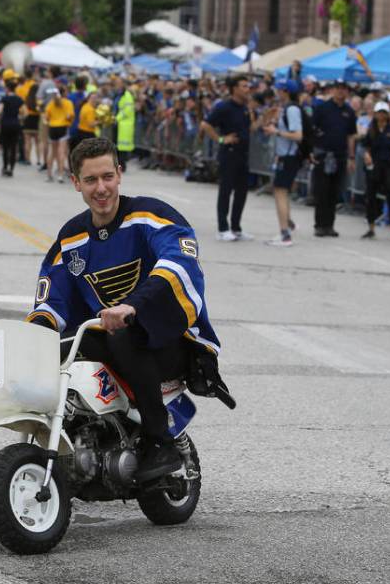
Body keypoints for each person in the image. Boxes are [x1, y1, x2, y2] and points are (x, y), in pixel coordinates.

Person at [25, 137, 226, 482]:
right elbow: (52, 298)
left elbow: (178, 262)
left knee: (123, 337)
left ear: (119, 174)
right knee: (64, 345)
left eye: (107, 177)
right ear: (76, 182)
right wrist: (32, 333)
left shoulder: (151, 216)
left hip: (171, 341)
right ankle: (83, 436)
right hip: (113, 336)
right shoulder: (72, 237)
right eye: (90, 180)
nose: (100, 188)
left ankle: (159, 441)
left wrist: (132, 306)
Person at [200, 75, 261, 241]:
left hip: (243, 154)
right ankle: (223, 228)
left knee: (241, 192)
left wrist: (264, 118)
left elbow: (249, 129)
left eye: (248, 86)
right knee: (226, 191)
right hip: (229, 154)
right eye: (244, 86)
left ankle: (236, 227)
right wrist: (221, 139)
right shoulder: (224, 107)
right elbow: (205, 125)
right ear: (234, 88)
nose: (247, 89)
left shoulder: (245, 108)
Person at [310, 80, 357, 237]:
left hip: (340, 156)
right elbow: (312, 129)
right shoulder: (322, 108)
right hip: (323, 154)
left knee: (334, 191)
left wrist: (351, 157)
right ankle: (319, 224)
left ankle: (329, 225)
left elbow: (351, 136)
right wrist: (312, 150)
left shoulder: (349, 112)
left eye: (344, 89)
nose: (340, 92)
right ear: (333, 90)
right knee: (322, 190)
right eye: (338, 89)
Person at [262, 79, 302, 247]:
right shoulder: (285, 109)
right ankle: (287, 226)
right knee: (281, 192)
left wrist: (276, 131)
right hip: (284, 156)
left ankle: (285, 233)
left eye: (279, 90)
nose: (277, 92)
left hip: (289, 156)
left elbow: (298, 135)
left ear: (285, 91)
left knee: (280, 192)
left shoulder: (292, 109)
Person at [360, 101, 390, 241]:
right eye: (380, 112)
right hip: (374, 166)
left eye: (384, 112)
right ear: (376, 114)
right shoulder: (371, 129)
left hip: (388, 166)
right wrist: (366, 155)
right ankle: (371, 228)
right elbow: (365, 146)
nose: (382, 115)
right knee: (371, 197)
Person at [44, 85, 74, 183]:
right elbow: (70, 116)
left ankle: (49, 174)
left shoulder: (51, 103)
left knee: (52, 152)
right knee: (61, 152)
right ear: (64, 92)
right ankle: (60, 175)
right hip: (62, 127)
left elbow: (46, 117)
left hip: (53, 127)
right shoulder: (68, 103)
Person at [0, 79, 24, 177]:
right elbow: (25, 112)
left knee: (5, 147)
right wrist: (20, 118)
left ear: (7, 88)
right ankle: (11, 169)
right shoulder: (19, 99)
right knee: (13, 147)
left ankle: (4, 167)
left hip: (5, 124)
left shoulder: (4, 99)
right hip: (15, 124)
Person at [113, 75, 135, 171]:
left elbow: (127, 110)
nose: (116, 84)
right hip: (118, 123)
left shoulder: (127, 96)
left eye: (118, 83)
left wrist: (116, 118)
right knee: (117, 145)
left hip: (124, 124)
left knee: (122, 147)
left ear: (122, 84)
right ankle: (118, 164)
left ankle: (122, 165)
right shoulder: (118, 94)